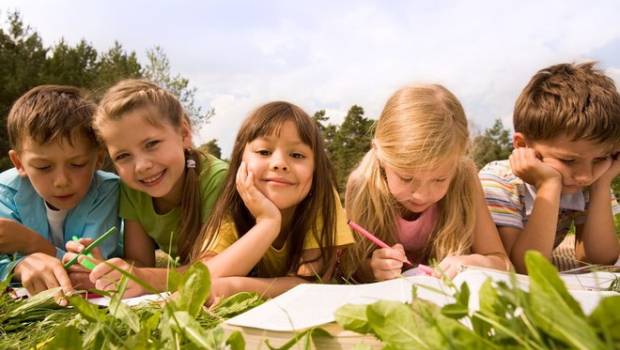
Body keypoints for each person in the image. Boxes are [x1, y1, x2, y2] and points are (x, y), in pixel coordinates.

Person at [65, 79, 227, 297]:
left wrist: (143, 279)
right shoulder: (133, 188)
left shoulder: (217, 179)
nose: (141, 166)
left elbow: (217, 268)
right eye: (123, 156)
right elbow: (140, 261)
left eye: (151, 144)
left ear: (184, 134)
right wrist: (104, 270)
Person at [343, 84, 510, 282]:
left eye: (440, 179)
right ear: (380, 155)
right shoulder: (362, 184)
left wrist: (474, 262)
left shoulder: (464, 176)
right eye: (406, 178)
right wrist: (371, 268)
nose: (421, 195)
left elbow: (504, 264)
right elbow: (348, 265)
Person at [194, 101, 354, 300]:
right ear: (239, 161)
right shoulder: (231, 210)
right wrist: (268, 223)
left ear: (315, 169)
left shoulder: (322, 200)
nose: (279, 164)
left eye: (297, 155)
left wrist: (237, 287)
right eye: (264, 152)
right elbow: (199, 282)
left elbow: (314, 282)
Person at [480, 62, 620, 273]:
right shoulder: (498, 181)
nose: (584, 176)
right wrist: (549, 185)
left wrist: (602, 185)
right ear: (522, 145)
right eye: (568, 161)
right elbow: (520, 267)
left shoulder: (592, 180)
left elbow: (598, 259)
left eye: (600, 158)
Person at [0, 85, 121, 298]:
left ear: (99, 159)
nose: (61, 181)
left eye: (77, 164)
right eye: (43, 167)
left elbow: (88, 268)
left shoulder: (107, 190)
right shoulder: (5, 191)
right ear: (19, 163)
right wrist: (17, 267)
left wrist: (31, 243)